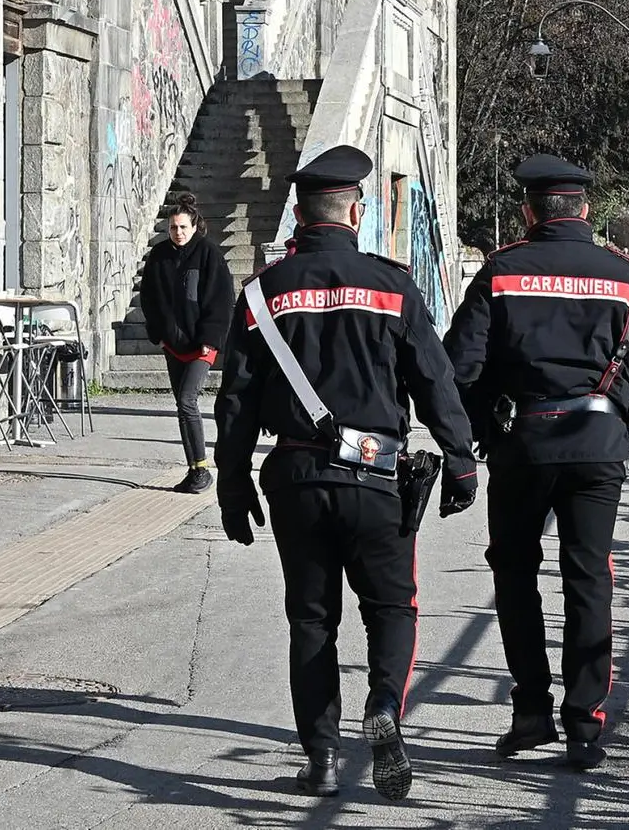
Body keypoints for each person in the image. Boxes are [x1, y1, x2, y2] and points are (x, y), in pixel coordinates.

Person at [214, 145, 478, 801]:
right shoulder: (393, 287)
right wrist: (462, 462)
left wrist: (231, 482)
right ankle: (385, 704)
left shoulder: (262, 293)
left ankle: (323, 761)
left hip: (297, 477)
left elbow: (237, 400)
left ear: (298, 217)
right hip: (378, 478)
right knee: (393, 607)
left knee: (312, 620)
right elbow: (436, 382)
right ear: (356, 211)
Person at [444, 154, 629, 772]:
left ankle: (530, 712)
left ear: (528, 211)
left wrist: (474, 432)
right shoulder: (627, 277)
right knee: (589, 581)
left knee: (515, 575)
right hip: (598, 446)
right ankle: (585, 726)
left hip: (522, 445)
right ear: (586, 210)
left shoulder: (500, 274)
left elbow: (458, 368)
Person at [139, 193, 235, 494]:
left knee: (187, 400)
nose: (178, 233)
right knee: (182, 406)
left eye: (182, 227)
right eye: (172, 228)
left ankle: (202, 470)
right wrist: (159, 333)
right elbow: (149, 298)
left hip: (201, 345)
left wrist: (210, 338)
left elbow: (222, 300)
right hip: (173, 344)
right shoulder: (159, 257)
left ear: (195, 227)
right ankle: (194, 469)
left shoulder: (208, 255)